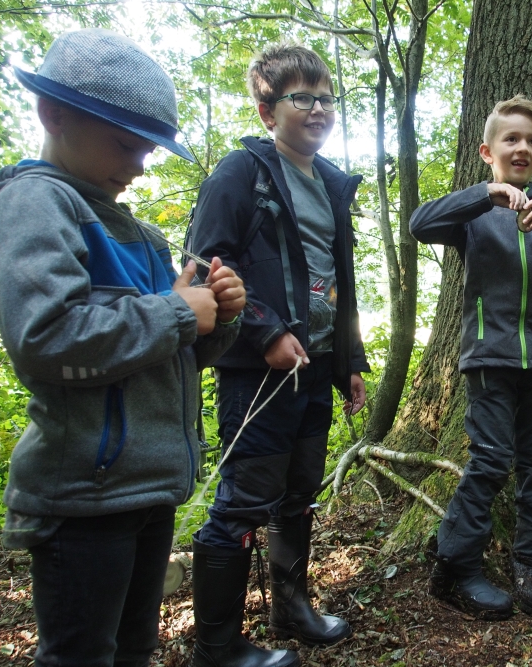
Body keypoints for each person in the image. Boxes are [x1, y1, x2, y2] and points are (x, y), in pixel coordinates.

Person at [0, 29, 245, 667]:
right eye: (126, 144)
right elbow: (47, 339)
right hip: (82, 498)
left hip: (145, 487)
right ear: (54, 114)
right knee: (82, 654)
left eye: (147, 148)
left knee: (132, 650)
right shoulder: (34, 202)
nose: (139, 163)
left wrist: (216, 317)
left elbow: (165, 353)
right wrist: (178, 312)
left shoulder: (139, 233)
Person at [187, 43, 370, 666]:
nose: (318, 109)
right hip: (256, 371)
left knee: (299, 494)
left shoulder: (332, 184)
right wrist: (264, 331)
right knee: (243, 500)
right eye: (302, 98)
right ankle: (217, 645)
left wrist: (350, 360)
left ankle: (292, 610)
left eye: (326, 98)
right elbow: (206, 264)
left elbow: (338, 281)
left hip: (315, 369)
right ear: (268, 111)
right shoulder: (241, 175)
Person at [410, 95, 532, 620]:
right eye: (511, 139)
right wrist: (483, 195)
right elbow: (420, 223)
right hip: (489, 361)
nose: (523, 148)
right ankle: (455, 566)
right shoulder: (475, 211)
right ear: (488, 151)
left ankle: (531, 564)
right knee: (490, 460)